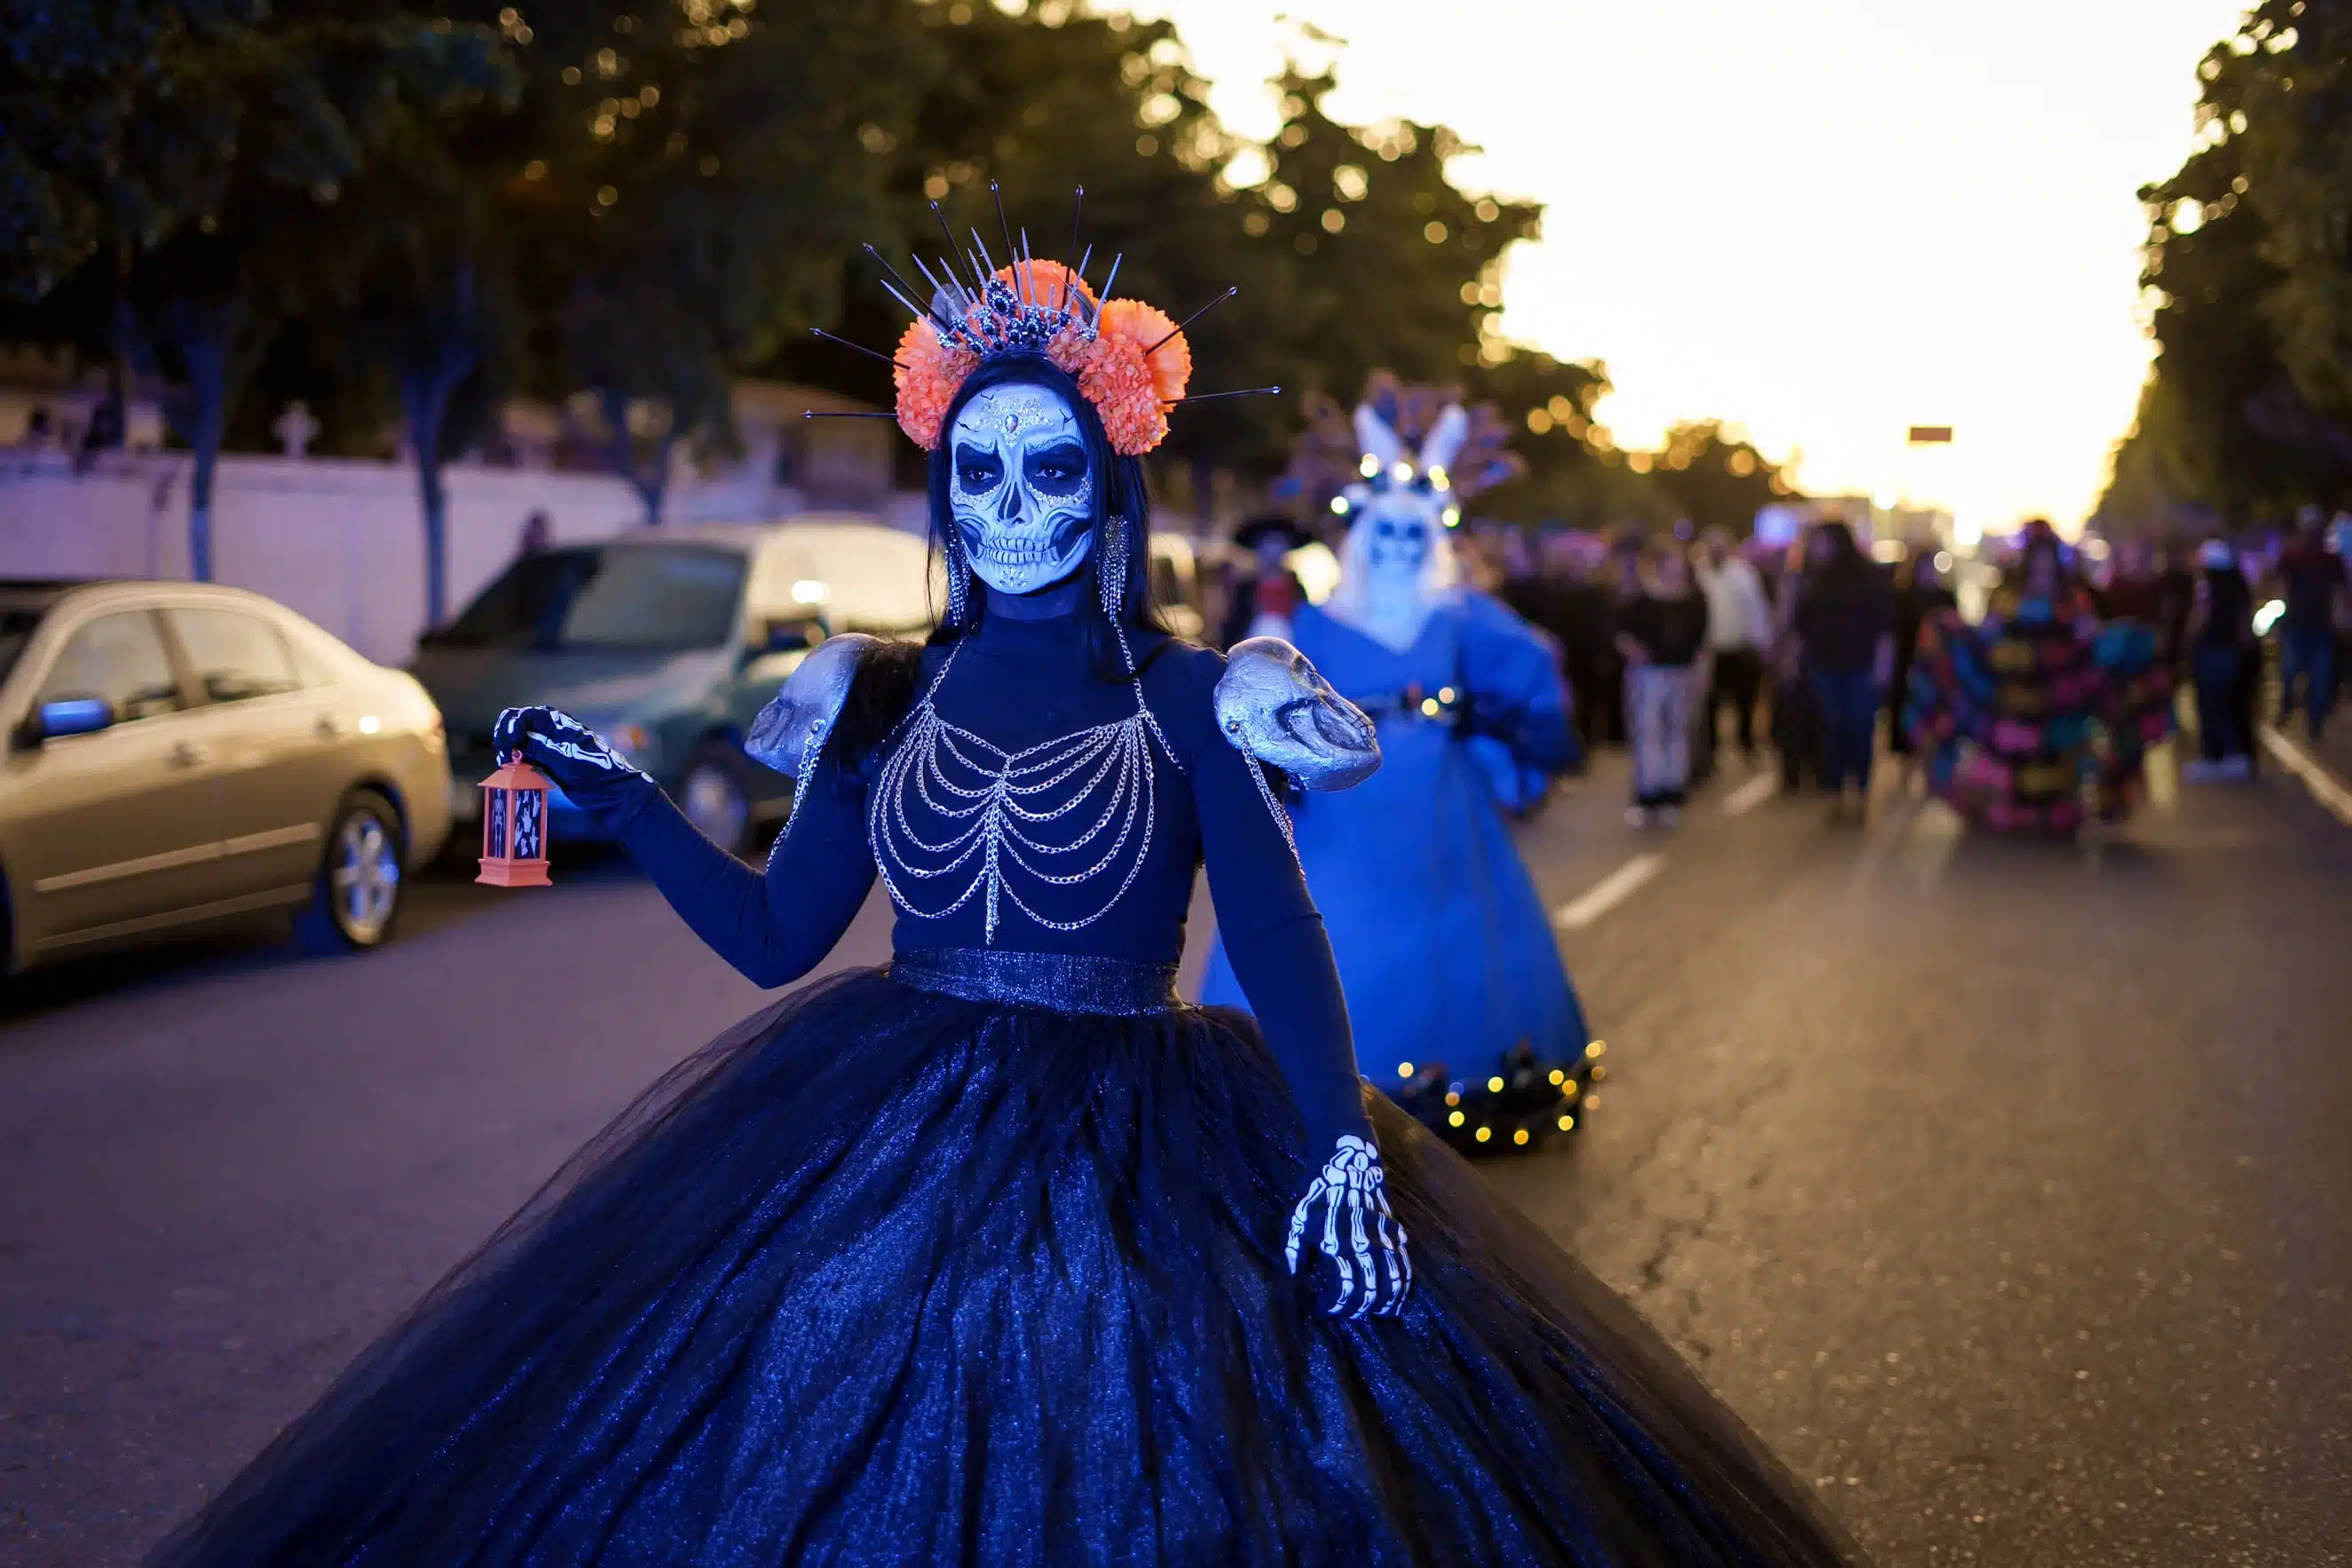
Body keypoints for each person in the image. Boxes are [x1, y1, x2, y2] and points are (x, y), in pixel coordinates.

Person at [153, 239, 1863, 1566]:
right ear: (944, 494)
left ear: (1108, 485)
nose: (1017, 510)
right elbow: (774, 938)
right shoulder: (872, 689)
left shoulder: (1202, 692)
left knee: (1143, 1438)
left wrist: (1338, 1133)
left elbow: (1273, 932)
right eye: (982, 477)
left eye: (1052, 473)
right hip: (882, 1120)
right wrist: (629, 801)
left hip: (1143, 1132)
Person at [1203, 382, 1593, 1155]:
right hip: (1340, 809)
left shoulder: (1464, 614)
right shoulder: (1308, 623)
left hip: (1445, 809)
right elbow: (1252, 704)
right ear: (1361, 534)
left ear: (1434, 541)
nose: (1399, 548)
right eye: (1386, 533)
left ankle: (1444, 1084)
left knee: (1453, 939)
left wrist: (1508, 731)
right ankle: (1336, 1089)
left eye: (1415, 537)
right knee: (1337, 939)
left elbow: (1536, 670)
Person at [1907, 519, 2172, 833]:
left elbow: (2086, 638)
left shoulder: (2073, 599)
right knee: (2015, 770)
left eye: (2048, 563)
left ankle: (2057, 810)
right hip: (2013, 704)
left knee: (2055, 768)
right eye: (2038, 562)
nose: (2042, 570)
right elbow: (1991, 637)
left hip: (2056, 707)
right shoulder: (2007, 597)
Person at [1791, 522, 1893, 820]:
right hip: (1824, 664)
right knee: (1832, 727)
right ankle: (1835, 791)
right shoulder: (1812, 580)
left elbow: (1885, 625)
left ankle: (1860, 791)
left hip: (1861, 665)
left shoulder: (1869, 578)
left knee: (1860, 727)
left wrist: (1883, 664)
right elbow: (1801, 623)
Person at [1617, 538, 1710, 825]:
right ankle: (1648, 793)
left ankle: (1673, 792)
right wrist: (1634, 651)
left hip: (1682, 672)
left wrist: (1702, 673)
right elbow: (1622, 632)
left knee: (1677, 732)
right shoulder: (1643, 599)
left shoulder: (1694, 599)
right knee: (1649, 732)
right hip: (1650, 674)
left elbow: (1702, 641)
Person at [2183, 538, 2258, 781]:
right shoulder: (2240, 589)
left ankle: (2215, 756)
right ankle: (2236, 755)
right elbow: (2246, 626)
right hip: (2232, 654)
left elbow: (2200, 619)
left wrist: (2190, 644)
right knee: (2233, 704)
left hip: (2212, 652)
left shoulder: (2207, 588)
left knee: (2212, 707)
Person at [1696, 524, 1772, 765]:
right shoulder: (1699, 575)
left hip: (1740, 648)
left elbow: (1756, 611)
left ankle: (1747, 744)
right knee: (1711, 703)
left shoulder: (1743, 575)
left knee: (1745, 700)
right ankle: (1711, 751)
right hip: (1711, 650)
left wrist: (1761, 642)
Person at [2273, 514, 2346, 741]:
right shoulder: (2293, 556)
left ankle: (2314, 720)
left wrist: (2341, 618)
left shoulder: (2331, 560)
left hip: (2320, 627)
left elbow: (2341, 592)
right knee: (2289, 672)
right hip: (2296, 624)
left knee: (2320, 678)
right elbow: (2277, 583)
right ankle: (2288, 706)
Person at [1887, 548, 1956, 761]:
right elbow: (1893, 631)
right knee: (1906, 717)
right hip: (1907, 664)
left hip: (1938, 669)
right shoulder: (1903, 596)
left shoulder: (1944, 595)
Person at [1218, 513, 1308, 648]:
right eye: (1267, 543)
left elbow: (1307, 628)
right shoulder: (1245, 590)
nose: (1273, 550)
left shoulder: (1297, 589)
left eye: (1278, 542)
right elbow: (1233, 629)